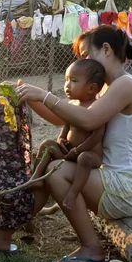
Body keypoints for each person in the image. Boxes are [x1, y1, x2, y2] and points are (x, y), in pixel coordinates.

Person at [0, 25, 132, 262]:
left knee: (57, 171)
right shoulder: (105, 91)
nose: (83, 62)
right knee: (50, 169)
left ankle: (91, 248)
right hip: (115, 184)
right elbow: (63, 117)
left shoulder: (127, 85)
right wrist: (27, 95)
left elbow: (88, 121)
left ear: (106, 49)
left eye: (85, 55)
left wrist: (44, 95)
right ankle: (1, 235)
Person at [31, 59, 106, 212]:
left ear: (92, 88)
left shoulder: (96, 109)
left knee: (84, 158)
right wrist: (60, 139)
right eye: (66, 80)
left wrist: (79, 151)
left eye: (73, 81)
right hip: (68, 151)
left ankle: (73, 192)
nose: (67, 85)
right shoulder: (71, 107)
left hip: (89, 155)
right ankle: (36, 177)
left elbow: (97, 136)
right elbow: (65, 127)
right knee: (47, 144)